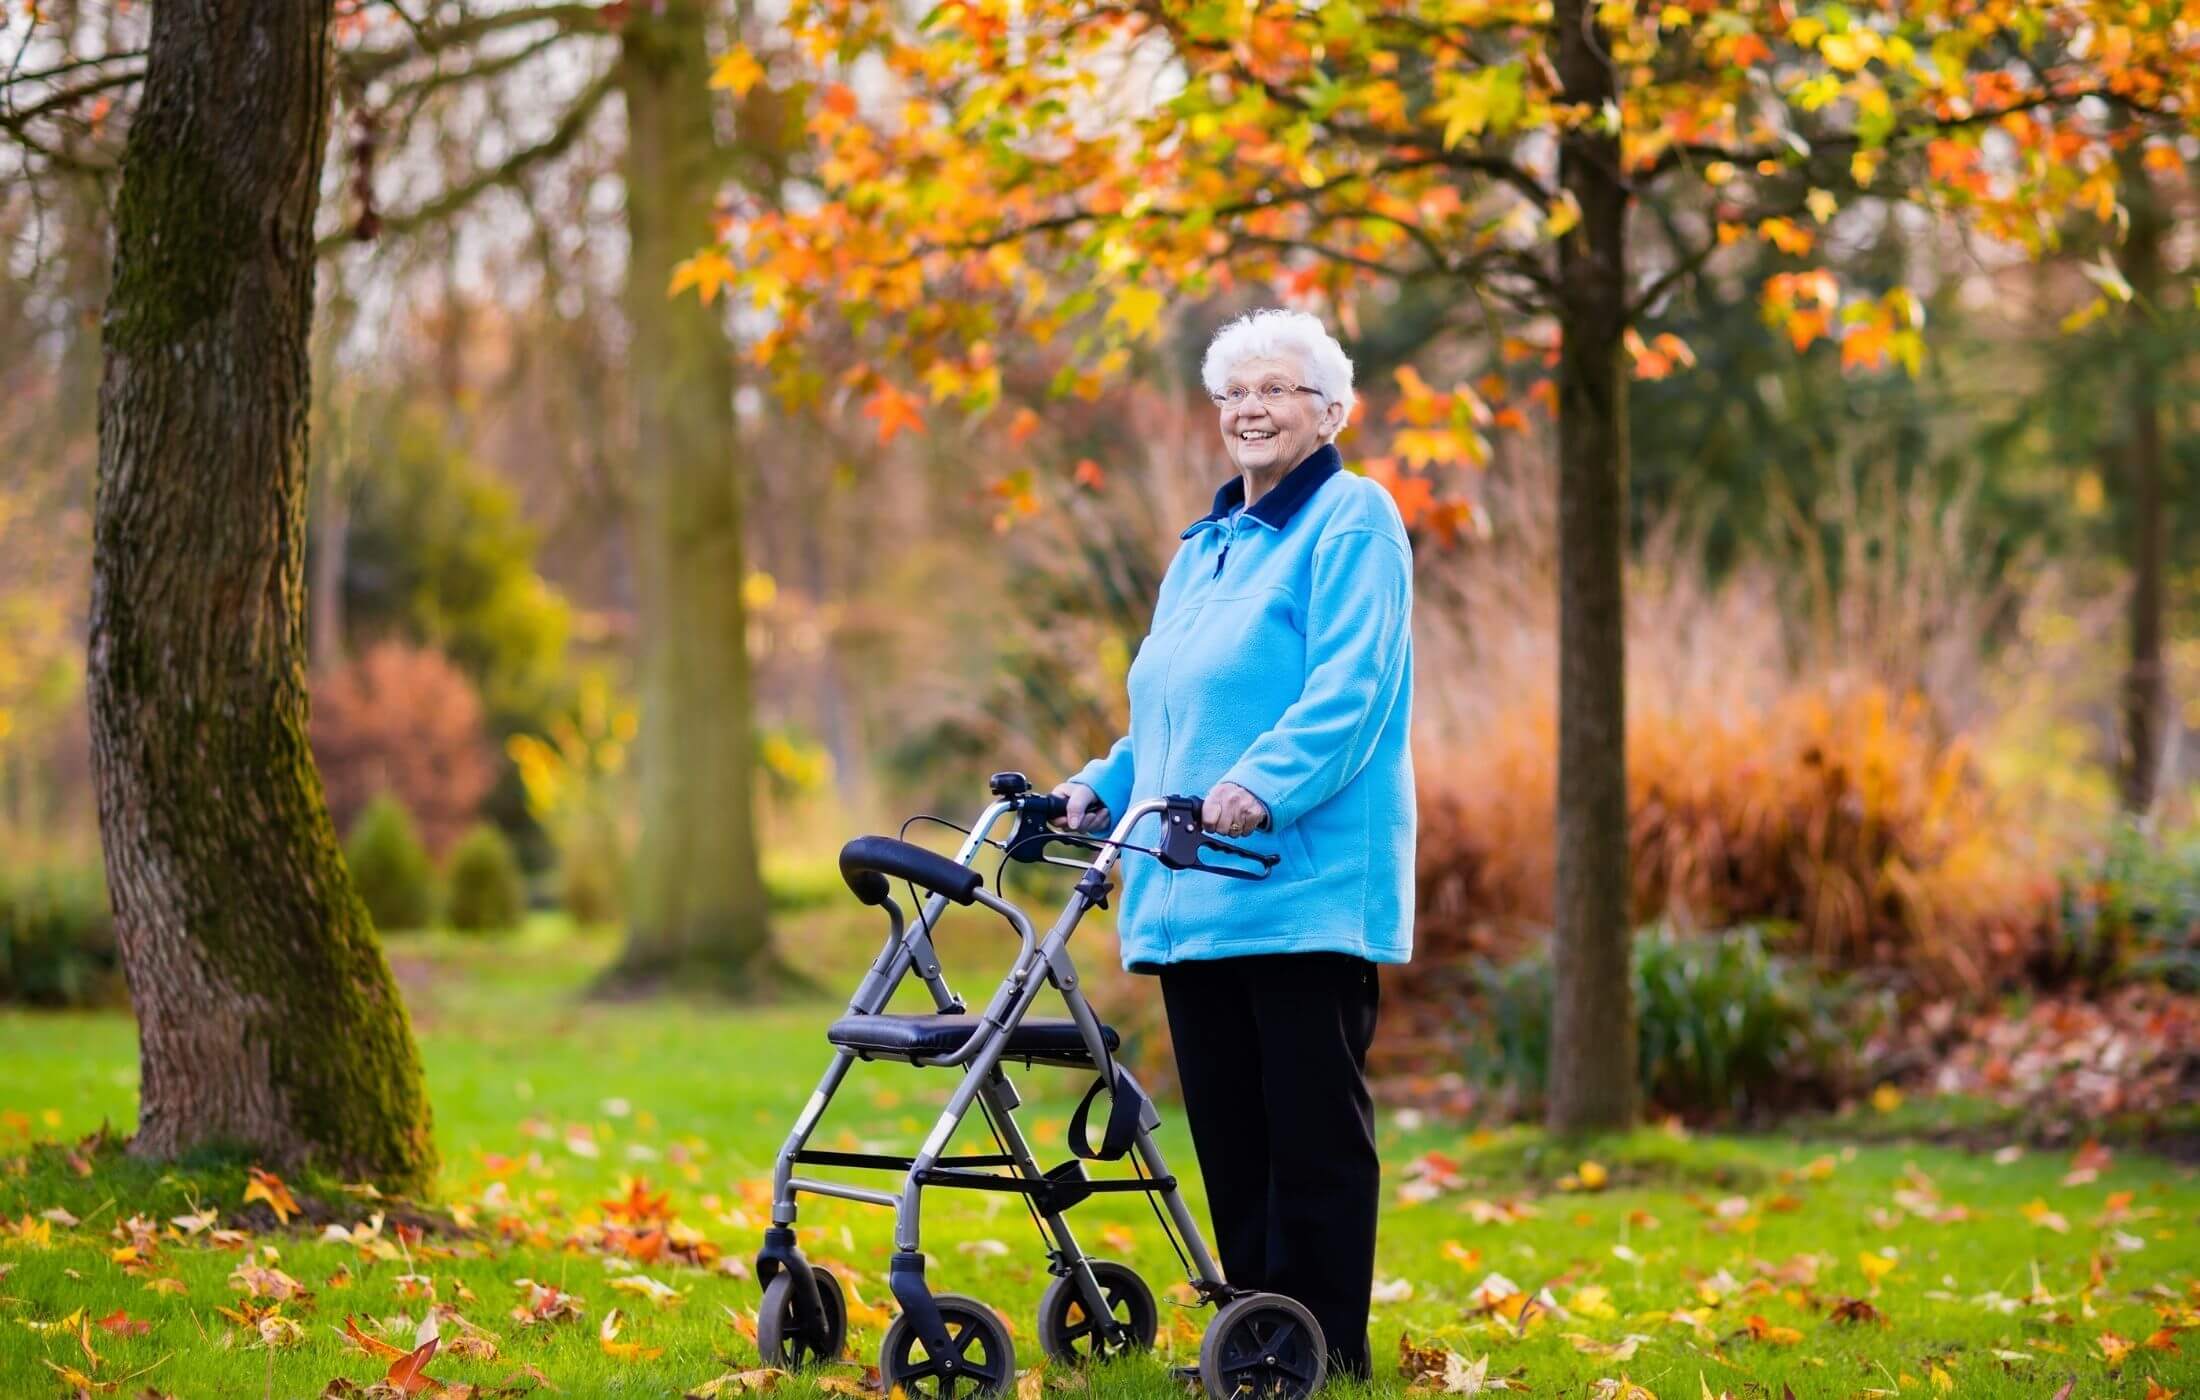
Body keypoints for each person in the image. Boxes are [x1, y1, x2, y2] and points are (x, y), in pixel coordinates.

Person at [1052, 307, 1415, 1384]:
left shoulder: (1352, 521)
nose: (1249, 409)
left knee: (1309, 1137)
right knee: (1232, 1136)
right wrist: (1097, 788)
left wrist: (1259, 783)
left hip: (1298, 884)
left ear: (1330, 411)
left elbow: (1350, 691)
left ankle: (1327, 1348)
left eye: (1275, 389)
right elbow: (1165, 724)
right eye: (1232, 394)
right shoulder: (1204, 551)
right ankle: (1260, 1341)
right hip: (1192, 885)